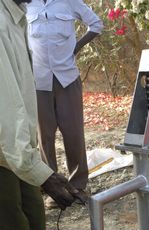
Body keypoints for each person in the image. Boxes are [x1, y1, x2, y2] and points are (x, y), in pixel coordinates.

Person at [0, 0, 79, 230]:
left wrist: (37, 167)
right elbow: (7, 108)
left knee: (33, 219)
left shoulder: (14, 18)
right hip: (5, 147)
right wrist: (43, 174)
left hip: (15, 148)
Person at [26, 0, 104, 208]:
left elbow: (96, 24)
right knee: (45, 135)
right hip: (38, 80)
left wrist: (76, 47)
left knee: (74, 133)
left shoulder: (68, 2)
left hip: (67, 77)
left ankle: (77, 186)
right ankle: (52, 189)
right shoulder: (26, 5)